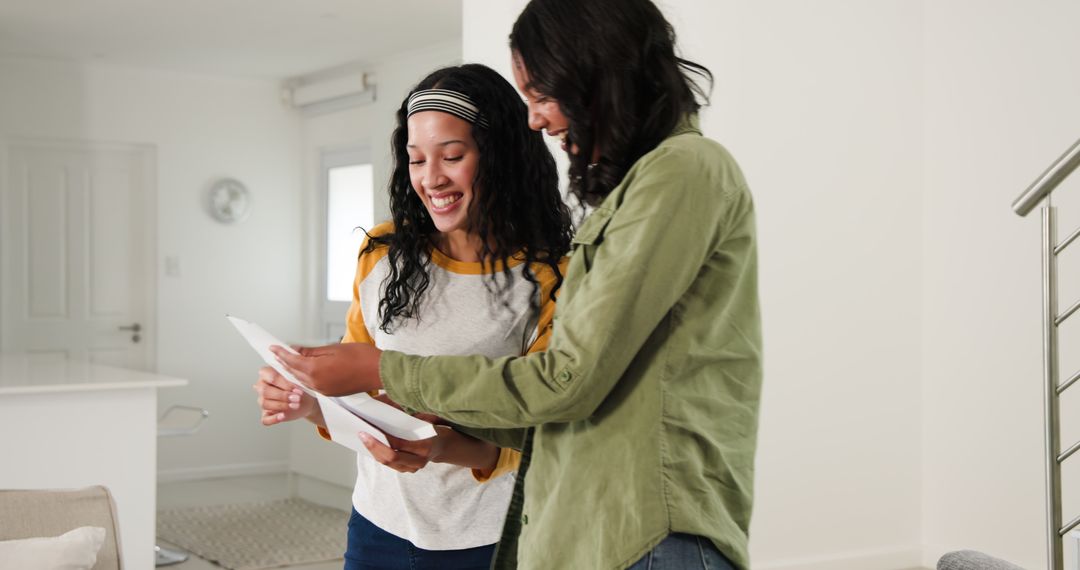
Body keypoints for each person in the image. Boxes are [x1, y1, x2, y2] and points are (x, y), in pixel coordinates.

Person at [270, 0, 763, 568]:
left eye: (544, 94)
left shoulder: (678, 174)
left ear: (596, 76)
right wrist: (395, 424)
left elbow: (563, 385)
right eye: (415, 158)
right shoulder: (645, 184)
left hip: (648, 526)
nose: (538, 119)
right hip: (592, 522)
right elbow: (565, 408)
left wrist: (384, 372)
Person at [254, 63, 572, 570]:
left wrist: (436, 446)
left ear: (501, 156)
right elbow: (358, 396)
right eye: (416, 159)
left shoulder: (551, 275)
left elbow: (537, 437)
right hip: (377, 525)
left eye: (452, 156)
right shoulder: (382, 252)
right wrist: (309, 404)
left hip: (486, 538)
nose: (431, 178)